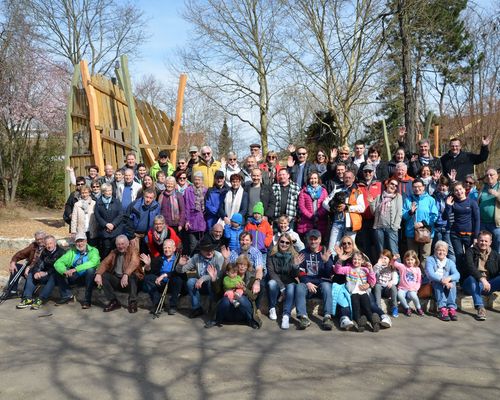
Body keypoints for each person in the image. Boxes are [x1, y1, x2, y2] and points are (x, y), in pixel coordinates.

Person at [205, 255, 261, 329]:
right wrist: (214, 279)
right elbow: (218, 292)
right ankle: (217, 320)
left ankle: (251, 321)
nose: (242, 267)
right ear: (236, 266)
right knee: (226, 300)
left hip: (243, 312)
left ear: (247, 266)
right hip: (229, 312)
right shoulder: (227, 277)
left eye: (244, 265)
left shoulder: (251, 278)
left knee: (241, 298)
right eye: (240, 264)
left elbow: (253, 297)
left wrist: (244, 289)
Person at [295, 230, 335, 331]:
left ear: (320, 239)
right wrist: (307, 282)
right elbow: (300, 272)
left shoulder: (325, 252)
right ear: (308, 240)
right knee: (299, 286)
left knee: (326, 286)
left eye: (315, 239)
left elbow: (329, 274)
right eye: (311, 239)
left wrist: (326, 262)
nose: (313, 241)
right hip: (308, 285)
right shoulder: (303, 253)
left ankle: (327, 317)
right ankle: (303, 317)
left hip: (321, 284)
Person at [176, 236, 225, 318]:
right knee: (191, 282)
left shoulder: (218, 256)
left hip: (214, 285)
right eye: (206, 250)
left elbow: (218, 275)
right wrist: (180, 265)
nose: (209, 252)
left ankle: (213, 307)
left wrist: (203, 278)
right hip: (200, 285)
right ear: (201, 251)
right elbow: (181, 270)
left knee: (211, 282)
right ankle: (197, 308)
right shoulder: (196, 257)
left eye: (211, 250)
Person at [334, 250, 380, 332]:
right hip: (353, 293)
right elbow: (338, 270)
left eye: (359, 259)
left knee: (367, 307)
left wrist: (371, 270)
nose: (356, 261)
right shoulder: (348, 269)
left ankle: (373, 322)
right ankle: (359, 323)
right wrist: (340, 260)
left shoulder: (365, 270)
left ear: (362, 261)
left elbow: (372, 282)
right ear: (352, 260)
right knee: (356, 308)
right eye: (355, 259)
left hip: (363, 292)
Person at [94, 235, 143, 313]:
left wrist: (126, 274)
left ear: (127, 243)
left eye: (122, 244)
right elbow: (105, 262)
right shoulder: (114, 252)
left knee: (133, 276)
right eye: (118, 244)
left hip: (130, 282)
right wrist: (98, 274)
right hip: (118, 281)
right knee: (104, 275)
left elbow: (134, 262)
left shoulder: (134, 250)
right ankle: (114, 302)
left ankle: (132, 302)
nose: (120, 246)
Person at [16, 235, 65, 310]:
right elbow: (38, 264)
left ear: (55, 243)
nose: (49, 246)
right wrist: (37, 272)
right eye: (47, 244)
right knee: (31, 272)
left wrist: (45, 273)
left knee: (54, 275)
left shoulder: (61, 253)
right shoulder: (44, 252)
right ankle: (28, 298)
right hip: (45, 275)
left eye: (50, 243)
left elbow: (58, 268)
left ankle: (40, 299)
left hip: (56, 277)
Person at [323, 170, 365, 254]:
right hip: (337, 223)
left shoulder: (357, 191)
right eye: (346, 177)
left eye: (350, 178)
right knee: (332, 249)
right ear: (343, 178)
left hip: (350, 224)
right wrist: (332, 209)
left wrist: (347, 207)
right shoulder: (337, 188)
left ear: (353, 179)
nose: (348, 179)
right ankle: (333, 266)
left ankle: (349, 266)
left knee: (349, 249)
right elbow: (325, 202)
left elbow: (362, 208)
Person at [462, 230, 500, 321]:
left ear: (490, 242)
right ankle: (480, 308)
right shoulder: (470, 252)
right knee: (472, 279)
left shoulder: (495, 254)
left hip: (488, 285)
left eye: (486, 241)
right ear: (477, 241)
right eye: (481, 240)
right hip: (471, 284)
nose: (483, 243)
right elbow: (470, 267)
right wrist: (482, 279)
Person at [54, 233, 99, 309]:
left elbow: (93, 262)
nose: (80, 244)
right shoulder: (72, 251)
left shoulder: (93, 250)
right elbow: (58, 263)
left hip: (89, 278)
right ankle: (67, 296)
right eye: (78, 241)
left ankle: (87, 301)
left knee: (90, 270)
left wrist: (75, 269)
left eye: (82, 241)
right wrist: (64, 271)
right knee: (59, 270)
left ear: (86, 241)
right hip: (76, 277)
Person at [266, 233, 302, 329]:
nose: (284, 244)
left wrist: (295, 266)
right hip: (276, 279)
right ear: (278, 242)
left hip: (289, 279)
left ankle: (286, 315)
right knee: (271, 283)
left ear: (290, 244)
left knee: (291, 287)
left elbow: (295, 275)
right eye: (282, 241)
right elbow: (271, 272)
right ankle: (272, 308)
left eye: (287, 242)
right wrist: (282, 287)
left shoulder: (294, 255)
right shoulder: (271, 253)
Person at [402, 178, 438, 266]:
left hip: (426, 232)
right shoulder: (408, 200)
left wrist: (423, 223)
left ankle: (424, 277)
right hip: (411, 232)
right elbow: (403, 216)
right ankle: (413, 276)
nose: (417, 189)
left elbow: (434, 216)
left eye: (419, 187)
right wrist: (410, 212)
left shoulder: (430, 200)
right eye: (414, 187)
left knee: (425, 257)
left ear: (424, 187)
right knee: (412, 257)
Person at [141, 239, 183, 314]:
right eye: (165, 248)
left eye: (169, 247)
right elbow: (151, 272)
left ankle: (173, 306)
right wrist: (148, 266)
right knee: (148, 278)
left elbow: (179, 273)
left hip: (173, 285)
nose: (167, 250)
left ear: (174, 249)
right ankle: (157, 303)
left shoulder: (179, 259)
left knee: (177, 279)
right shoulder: (159, 259)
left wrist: (164, 275)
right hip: (161, 284)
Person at [425, 241, 460, 321]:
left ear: (447, 252)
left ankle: (451, 308)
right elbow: (430, 274)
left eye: (444, 250)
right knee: (437, 282)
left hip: (446, 285)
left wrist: (448, 279)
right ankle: (442, 309)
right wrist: (442, 280)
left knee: (453, 282)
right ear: (435, 250)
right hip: (432, 286)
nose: (441, 252)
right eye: (439, 250)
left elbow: (457, 274)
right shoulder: (430, 259)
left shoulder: (450, 262)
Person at [444, 181, 480, 260]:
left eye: (460, 189)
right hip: (455, 235)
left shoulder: (472, 203)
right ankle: (460, 272)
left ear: (464, 189)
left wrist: (476, 237)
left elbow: (477, 220)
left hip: (469, 235)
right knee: (459, 257)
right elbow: (444, 217)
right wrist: (448, 206)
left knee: (470, 257)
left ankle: (470, 272)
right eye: (456, 190)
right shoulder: (453, 202)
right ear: (454, 192)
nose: (459, 192)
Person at [7, 231, 46, 298]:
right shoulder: (33, 246)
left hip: (39, 271)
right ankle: (12, 292)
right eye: (37, 239)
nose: (39, 241)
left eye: (41, 239)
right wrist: (13, 262)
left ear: (45, 238)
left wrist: (29, 267)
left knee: (25, 294)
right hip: (29, 269)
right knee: (16, 267)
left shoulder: (48, 246)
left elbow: (41, 262)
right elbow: (21, 253)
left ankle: (28, 293)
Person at [369, 177, 402, 256]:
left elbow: (399, 212)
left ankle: (397, 268)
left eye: (396, 186)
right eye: (392, 184)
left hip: (391, 228)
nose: (394, 186)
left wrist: (395, 226)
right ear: (387, 184)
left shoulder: (398, 197)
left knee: (394, 251)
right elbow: (373, 212)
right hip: (379, 228)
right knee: (381, 252)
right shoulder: (379, 197)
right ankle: (382, 268)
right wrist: (371, 203)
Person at [357, 164, 383, 262]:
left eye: (370, 171)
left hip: (376, 219)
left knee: (378, 245)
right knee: (366, 245)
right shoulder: (358, 185)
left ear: (374, 172)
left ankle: (379, 265)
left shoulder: (379, 185)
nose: (368, 173)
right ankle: (368, 266)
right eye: (365, 171)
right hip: (363, 219)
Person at [124, 188, 160, 254]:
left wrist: (155, 232)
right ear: (143, 196)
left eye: (150, 198)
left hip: (148, 234)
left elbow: (158, 221)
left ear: (154, 198)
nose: (148, 200)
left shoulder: (156, 206)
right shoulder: (134, 205)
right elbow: (127, 220)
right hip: (135, 234)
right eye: (147, 197)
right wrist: (131, 236)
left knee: (146, 255)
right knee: (134, 256)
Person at [94, 183, 123, 259]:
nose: (109, 192)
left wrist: (113, 224)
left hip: (116, 230)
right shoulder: (98, 202)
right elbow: (97, 216)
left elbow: (120, 214)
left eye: (110, 190)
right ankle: (105, 266)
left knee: (116, 249)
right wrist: (106, 224)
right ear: (103, 192)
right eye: (107, 191)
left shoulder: (116, 201)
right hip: (104, 231)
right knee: (106, 249)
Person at [297, 171, 329, 240]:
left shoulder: (324, 191)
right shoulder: (303, 191)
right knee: (308, 242)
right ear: (309, 180)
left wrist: (318, 215)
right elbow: (301, 206)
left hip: (321, 220)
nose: (313, 180)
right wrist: (311, 216)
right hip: (307, 221)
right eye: (311, 178)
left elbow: (325, 205)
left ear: (318, 179)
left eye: (315, 178)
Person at [392, 250, 423, 317]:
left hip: (412, 289)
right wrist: (394, 259)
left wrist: (415, 288)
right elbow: (393, 264)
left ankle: (418, 308)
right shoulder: (402, 267)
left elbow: (419, 281)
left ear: (415, 260)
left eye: (412, 259)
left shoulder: (417, 269)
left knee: (414, 296)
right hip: (402, 288)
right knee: (399, 295)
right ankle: (407, 308)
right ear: (405, 260)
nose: (410, 261)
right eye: (408, 259)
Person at [432, 176, 455, 262]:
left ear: (447, 186)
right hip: (437, 226)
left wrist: (453, 181)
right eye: (440, 185)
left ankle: (452, 270)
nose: (442, 187)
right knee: (438, 250)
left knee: (450, 250)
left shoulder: (451, 196)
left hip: (448, 226)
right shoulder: (435, 196)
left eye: (444, 185)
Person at [184, 172, 207, 255]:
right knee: (193, 244)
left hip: (202, 221)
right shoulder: (188, 190)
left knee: (202, 244)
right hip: (192, 221)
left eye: (199, 180)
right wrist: (186, 220)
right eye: (195, 179)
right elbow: (186, 206)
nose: (197, 181)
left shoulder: (205, 191)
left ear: (202, 181)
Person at [478, 167, 500, 252]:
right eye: (487, 175)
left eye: (491, 175)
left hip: (496, 225)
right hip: (483, 223)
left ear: (497, 176)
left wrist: (497, 195)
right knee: (483, 248)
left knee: (497, 248)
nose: (489, 177)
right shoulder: (483, 187)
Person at [372, 249, 399, 318]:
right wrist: (378, 264)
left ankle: (394, 307)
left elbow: (395, 279)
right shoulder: (377, 266)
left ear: (389, 259)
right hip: (379, 289)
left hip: (387, 289)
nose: (383, 260)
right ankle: (379, 308)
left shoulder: (391, 267)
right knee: (377, 286)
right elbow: (372, 272)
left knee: (393, 287)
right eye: (381, 258)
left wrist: (391, 281)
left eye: (385, 258)